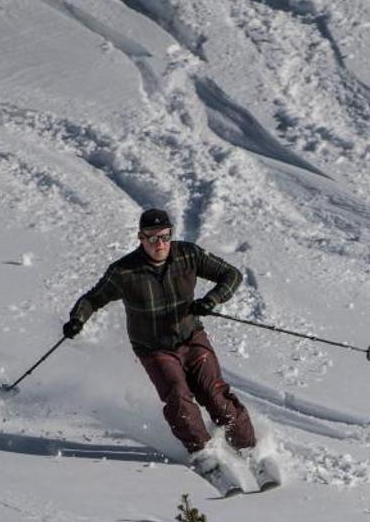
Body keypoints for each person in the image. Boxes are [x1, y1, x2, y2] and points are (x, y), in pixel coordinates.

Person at [62, 208, 281, 492]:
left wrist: (211, 300)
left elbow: (231, 275)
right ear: (141, 238)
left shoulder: (188, 255)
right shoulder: (124, 272)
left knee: (215, 395)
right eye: (152, 238)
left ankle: (249, 450)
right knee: (178, 396)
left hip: (191, 337)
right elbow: (92, 299)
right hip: (154, 348)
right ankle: (205, 455)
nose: (160, 244)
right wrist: (77, 319)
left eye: (165, 237)